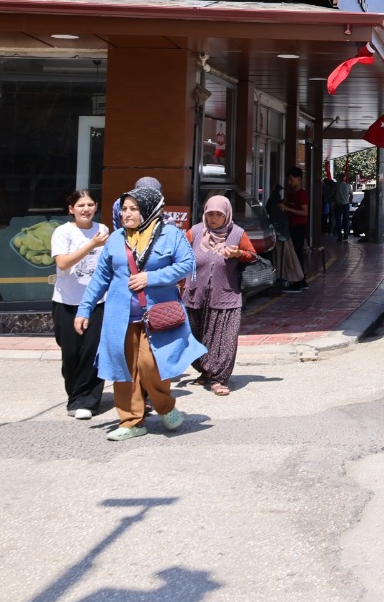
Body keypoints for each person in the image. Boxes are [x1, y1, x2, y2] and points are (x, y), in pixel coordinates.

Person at [75, 185, 205, 441]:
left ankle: (164, 405)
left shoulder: (170, 234)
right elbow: (100, 278)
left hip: (158, 315)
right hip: (119, 316)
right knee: (123, 368)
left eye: (133, 208)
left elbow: (187, 265)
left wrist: (151, 277)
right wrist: (84, 308)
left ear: (149, 209)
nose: (127, 214)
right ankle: (131, 421)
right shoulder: (116, 239)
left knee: (150, 364)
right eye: (124, 209)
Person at [183, 196, 257, 396]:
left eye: (219, 215)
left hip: (226, 296)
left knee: (224, 340)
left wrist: (239, 254)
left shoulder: (237, 233)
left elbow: (252, 255)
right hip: (195, 295)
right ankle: (206, 370)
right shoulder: (194, 232)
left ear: (227, 215)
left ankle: (219, 378)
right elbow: (179, 257)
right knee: (193, 337)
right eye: (210, 214)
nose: (214, 218)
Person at [50, 189, 110, 419]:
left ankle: (87, 401)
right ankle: (75, 394)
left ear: (96, 207)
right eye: (81, 205)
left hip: (97, 301)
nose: (86, 209)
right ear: (71, 209)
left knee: (93, 350)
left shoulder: (103, 230)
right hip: (67, 301)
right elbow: (63, 263)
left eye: (90, 204)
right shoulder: (63, 232)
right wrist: (91, 244)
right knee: (71, 352)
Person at [332, 172, 354, 241]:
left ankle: (339, 236)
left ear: (339, 178)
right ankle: (346, 235)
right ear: (345, 178)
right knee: (346, 220)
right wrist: (349, 201)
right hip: (346, 205)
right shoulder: (348, 186)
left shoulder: (336, 186)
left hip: (338, 205)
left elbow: (332, 195)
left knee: (338, 220)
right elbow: (351, 195)